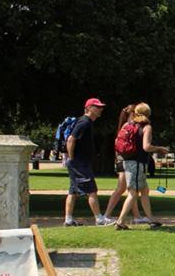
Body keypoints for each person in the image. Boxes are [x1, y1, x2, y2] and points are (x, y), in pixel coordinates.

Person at [114, 102, 169, 230]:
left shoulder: (127, 125)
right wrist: (159, 148)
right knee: (133, 193)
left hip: (127, 161)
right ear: (148, 113)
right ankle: (120, 222)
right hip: (138, 163)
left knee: (144, 191)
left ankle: (151, 220)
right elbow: (146, 147)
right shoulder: (146, 126)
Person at [64, 97, 109, 226]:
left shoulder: (86, 122)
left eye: (100, 107)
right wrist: (72, 158)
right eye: (97, 107)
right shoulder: (84, 122)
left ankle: (68, 219)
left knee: (73, 191)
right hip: (80, 162)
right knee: (91, 190)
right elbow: (71, 139)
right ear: (88, 108)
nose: (100, 109)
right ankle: (99, 219)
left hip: (79, 162)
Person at [101, 104, 142, 224]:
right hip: (126, 160)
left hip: (121, 160)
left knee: (129, 189)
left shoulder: (123, 127)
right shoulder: (129, 126)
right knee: (124, 188)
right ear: (133, 114)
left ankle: (137, 216)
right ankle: (107, 215)